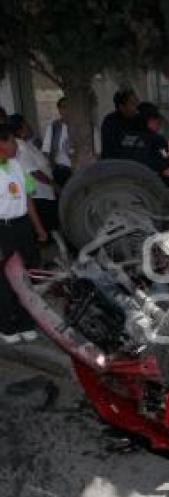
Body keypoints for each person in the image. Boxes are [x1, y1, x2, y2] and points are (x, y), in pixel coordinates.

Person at [0, 124, 48, 343]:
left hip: (21, 226)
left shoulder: (17, 165)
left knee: (25, 275)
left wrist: (38, 228)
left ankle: (26, 322)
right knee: (5, 279)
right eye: (11, 141)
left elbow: (28, 199)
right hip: (3, 228)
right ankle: (8, 326)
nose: (15, 146)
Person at [9, 114, 58, 233]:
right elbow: (34, 172)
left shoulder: (27, 143)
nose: (28, 126)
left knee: (52, 227)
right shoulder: (20, 147)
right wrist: (53, 185)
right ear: (19, 128)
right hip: (39, 194)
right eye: (25, 124)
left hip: (45, 191)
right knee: (50, 227)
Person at [115, 102, 169, 181]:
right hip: (148, 188)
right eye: (157, 120)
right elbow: (167, 171)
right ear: (150, 120)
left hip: (125, 187)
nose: (159, 125)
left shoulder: (124, 137)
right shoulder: (157, 140)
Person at [41, 97, 73, 188]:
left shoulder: (82, 126)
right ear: (59, 110)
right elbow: (46, 151)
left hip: (80, 168)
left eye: (69, 107)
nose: (67, 110)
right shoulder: (54, 127)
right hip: (61, 171)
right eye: (63, 107)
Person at [101, 88, 139, 159]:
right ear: (122, 107)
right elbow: (110, 151)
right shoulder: (110, 122)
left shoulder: (139, 121)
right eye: (132, 103)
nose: (136, 107)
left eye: (136, 102)